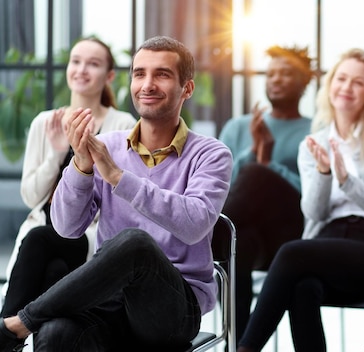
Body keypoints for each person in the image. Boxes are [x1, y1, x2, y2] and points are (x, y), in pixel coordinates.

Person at [0, 35, 232, 351]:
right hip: (109, 301)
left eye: (161, 74)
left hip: (172, 309)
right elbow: (67, 229)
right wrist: (80, 167)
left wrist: (119, 177)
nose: (147, 84)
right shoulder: (107, 144)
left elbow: (194, 225)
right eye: (139, 74)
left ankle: (17, 324)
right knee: (55, 333)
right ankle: (24, 328)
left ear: (186, 89)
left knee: (135, 243)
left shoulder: (212, 154)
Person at [236, 48, 364, 352]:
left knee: (292, 253)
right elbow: (314, 212)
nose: (346, 87)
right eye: (341, 79)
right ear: (330, 85)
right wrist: (323, 173)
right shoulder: (315, 143)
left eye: (357, 83)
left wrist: (347, 181)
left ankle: (245, 348)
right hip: (327, 242)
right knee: (302, 288)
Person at [1, 37, 137, 321]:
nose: (82, 69)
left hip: (87, 234)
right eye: (76, 61)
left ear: (109, 76)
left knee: (40, 240)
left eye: (93, 64)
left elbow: (116, 196)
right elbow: (31, 197)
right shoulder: (45, 122)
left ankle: (5, 331)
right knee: (54, 271)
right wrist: (56, 153)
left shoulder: (122, 124)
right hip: (43, 231)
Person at [216, 45, 313, 343]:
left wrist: (267, 164)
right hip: (243, 236)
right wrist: (251, 153)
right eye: (271, 74)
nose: (276, 80)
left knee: (257, 176)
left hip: (289, 235)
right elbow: (220, 185)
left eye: (286, 73)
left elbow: (312, 194)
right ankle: (238, 344)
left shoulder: (314, 131)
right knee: (238, 245)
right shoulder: (239, 126)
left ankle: (204, 235)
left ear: (304, 82)